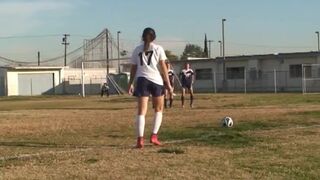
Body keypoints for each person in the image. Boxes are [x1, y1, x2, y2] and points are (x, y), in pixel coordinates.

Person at [128, 27, 173, 149]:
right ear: (154, 37)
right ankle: (154, 136)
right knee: (159, 109)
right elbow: (163, 67)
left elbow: (133, 69)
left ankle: (140, 140)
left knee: (141, 112)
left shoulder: (137, 50)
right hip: (156, 81)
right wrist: (168, 84)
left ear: (142, 37)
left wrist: (131, 83)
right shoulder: (158, 48)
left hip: (142, 80)